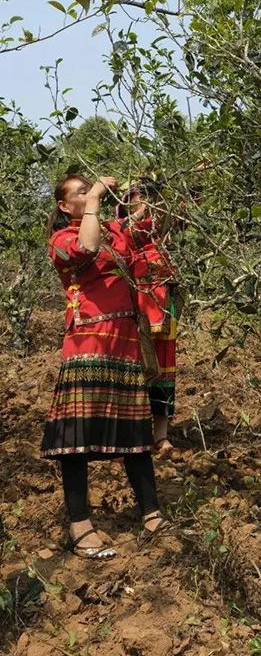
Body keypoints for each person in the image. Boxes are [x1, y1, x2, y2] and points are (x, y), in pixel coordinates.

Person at [41, 175, 170, 560]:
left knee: (136, 435)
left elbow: (147, 228)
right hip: (88, 344)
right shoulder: (62, 239)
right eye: (79, 192)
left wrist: (145, 190)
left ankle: (152, 514)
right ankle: (80, 525)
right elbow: (86, 246)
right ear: (66, 206)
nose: (88, 194)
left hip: (126, 343)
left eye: (89, 189)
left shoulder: (117, 232)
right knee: (75, 438)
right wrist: (96, 198)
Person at [116, 179, 181, 458]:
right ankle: (130, 432)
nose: (145, 204)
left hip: (164, 307)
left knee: (164, 369)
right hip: (135, 309)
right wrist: (139, 213)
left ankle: (160, 435)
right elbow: (126, 231)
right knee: (134, 367)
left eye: (148, 198)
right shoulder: (120, 230)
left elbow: (185, 211)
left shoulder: (162, 231)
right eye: (138, 198)